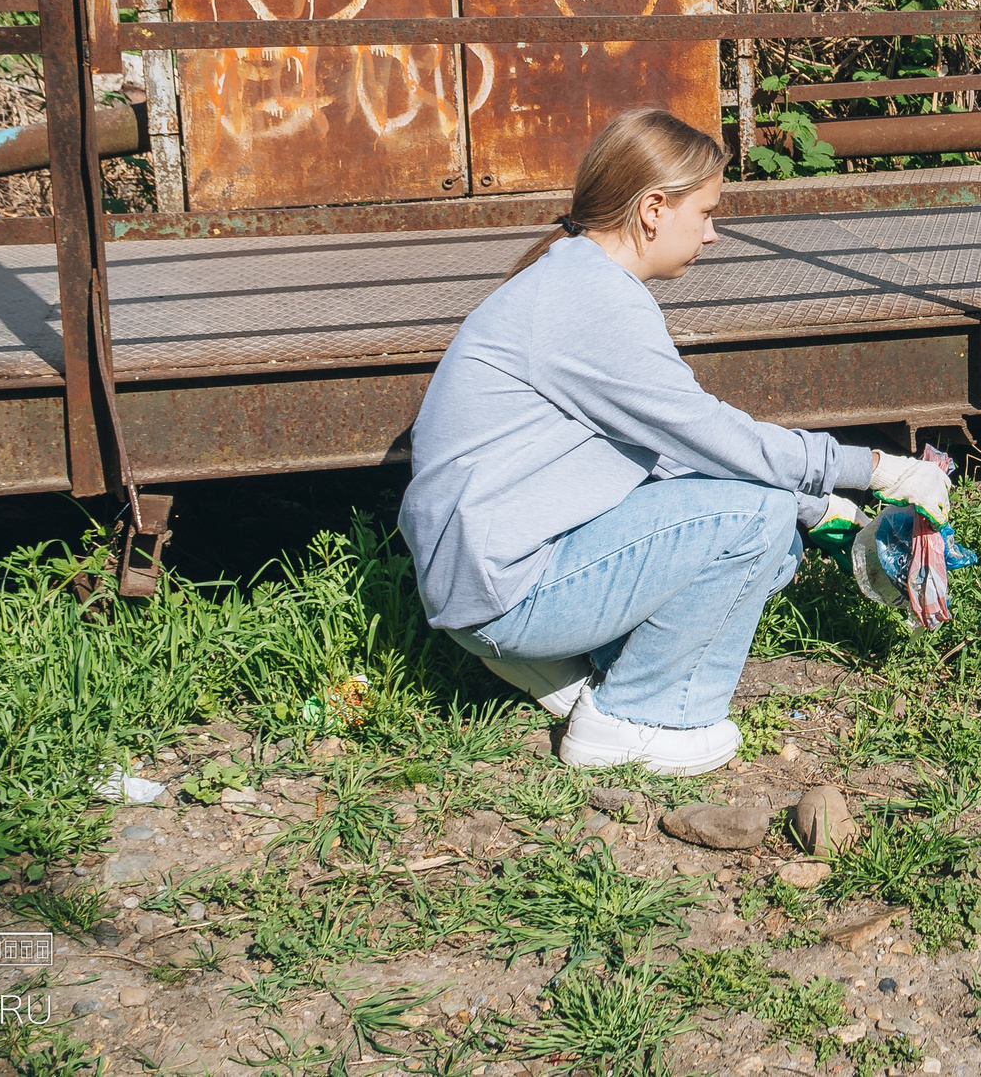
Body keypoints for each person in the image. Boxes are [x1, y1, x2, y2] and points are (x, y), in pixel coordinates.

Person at [398, 107, 948, 774]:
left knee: (774, 538)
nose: (713, 233)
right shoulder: (593, 302)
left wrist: (822, 509)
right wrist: (876, 467)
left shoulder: (574, 277)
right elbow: (715, 437)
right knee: (758, 518)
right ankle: (640, 716)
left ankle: (577, 661)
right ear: (654, 208)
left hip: (487, 569)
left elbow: (676, 452)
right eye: (706, 211)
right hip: (503, 587)